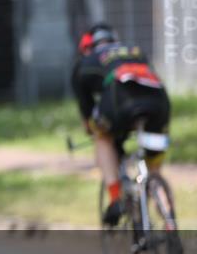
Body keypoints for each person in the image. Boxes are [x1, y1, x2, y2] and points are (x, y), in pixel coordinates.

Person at [71, 22, 173, 227]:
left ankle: (116, 198)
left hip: (121, 100)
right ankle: (170, 222)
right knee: (154, 172)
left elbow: (88, 114)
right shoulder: (134, 50)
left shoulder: (85, 63)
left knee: (101, 137)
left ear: (87, 48)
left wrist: (96, 129)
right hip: (159, 102)